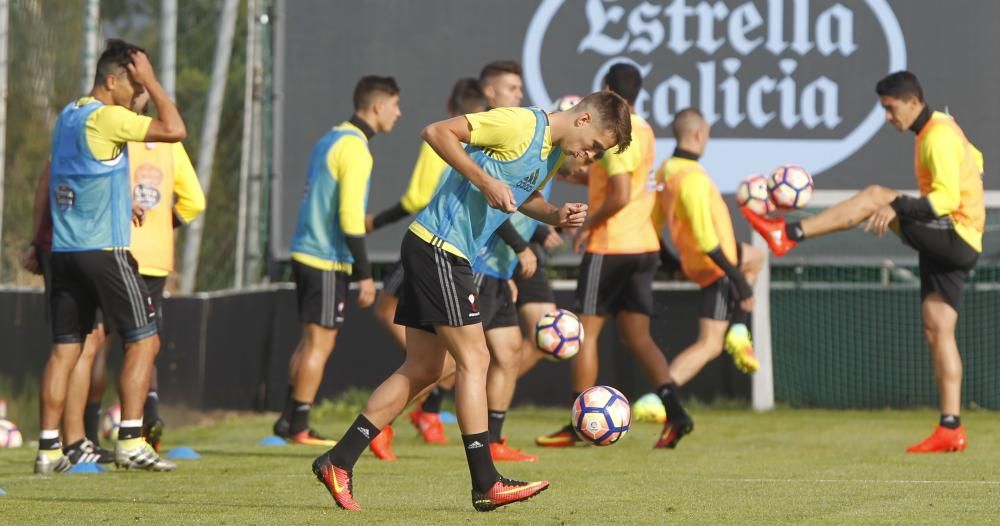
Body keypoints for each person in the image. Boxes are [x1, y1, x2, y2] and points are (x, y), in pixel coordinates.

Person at [311, 92, 632, 512]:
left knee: (428, 367)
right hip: (439, 248)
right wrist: (485, 181)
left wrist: (553, 215)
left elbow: (520, 193)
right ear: (584, 118)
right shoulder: (520, 124)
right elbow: (437, 133)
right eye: (594, 145)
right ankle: (486, 482)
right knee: (475, 360)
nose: (589, 156)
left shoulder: (552, 151)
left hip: (448, 252)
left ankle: (338, 460)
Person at [743, 71, 984, 453]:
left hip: (953, 233)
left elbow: (945, 201)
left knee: (875, 196)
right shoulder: (942, 128)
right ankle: (950, 427)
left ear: (913, 101)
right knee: (938, 329)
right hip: (962, 239)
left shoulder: (936, 136)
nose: (889, 117)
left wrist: (896, 206)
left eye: (891, 109)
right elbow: (976, 160)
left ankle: (787, 235)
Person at [36, 39, 186, 473]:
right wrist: (156, 84)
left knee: (66, 349)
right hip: (104, 250)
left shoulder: (68, 116)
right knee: (145, 338)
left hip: (64, 250)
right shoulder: (109, 116)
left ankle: (49, 450)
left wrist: (122, 199)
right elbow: (175, 130)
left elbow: (81, 172)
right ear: (113, 80)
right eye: (134, 86)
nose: (138, 97)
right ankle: (131, 439)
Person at [534, 63, 689, 449]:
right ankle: (677, 412)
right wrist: (574, 175)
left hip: (612, 245)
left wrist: (587, 226)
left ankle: (577, 424)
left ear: (605, 88)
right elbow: (624, 182)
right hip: (644, 246)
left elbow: (619, 192)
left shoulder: (617, 132)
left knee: (584, 336)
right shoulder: (647, 130)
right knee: (638, 337)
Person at [272, 76, 400, 448]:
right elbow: (349, 216)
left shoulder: (330, 137)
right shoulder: (356, 148)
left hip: (305, 250)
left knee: (309, 341)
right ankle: (300, 425)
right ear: (377, 107)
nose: (398, 113)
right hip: (326, 257)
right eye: (395, 105)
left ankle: (287, 419)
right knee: (320, 345)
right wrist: (364, 275)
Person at [366, 78, 487, 446]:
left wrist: (375, 222)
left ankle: (410, 409)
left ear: (450, 104)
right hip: (454, 249)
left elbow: (417, 196)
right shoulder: (479, 143)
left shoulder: (448, 137)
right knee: (445, 358)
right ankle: (419, 405)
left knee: (445, 358)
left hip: (434, 241)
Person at [653, 107, 764, 442]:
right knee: (709, 344)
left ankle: (740, 329)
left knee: (756, 256)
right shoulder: (693, 178)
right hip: (715, 264)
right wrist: (738, 280)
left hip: (699, 259)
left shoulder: (666, 171)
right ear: (699, 135)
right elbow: (706, 237)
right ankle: (659, 398)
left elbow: (655, 222)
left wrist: (670, 260)